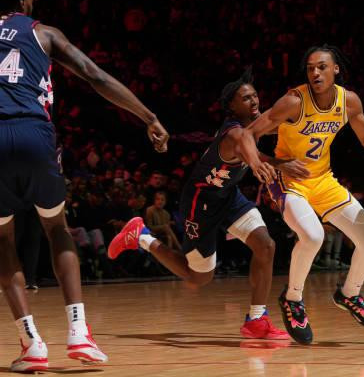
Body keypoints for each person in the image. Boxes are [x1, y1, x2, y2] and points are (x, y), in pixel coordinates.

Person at [0, 0, 169, 371]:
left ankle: (31, 342)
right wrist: (148, 116)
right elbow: (95, 75)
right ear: (24, 0)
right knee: (56, 228)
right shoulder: (43, 33)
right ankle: (78, 332)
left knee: (2, 240)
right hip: (34, 133)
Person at [238, 45, 364, 344]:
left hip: (323, 180)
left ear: (335, 69)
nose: (315, 72)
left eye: (322, 67)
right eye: (310, 67)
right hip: (289, 181)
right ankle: (292, 299)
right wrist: (269, 163)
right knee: (313, 236)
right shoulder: (293, 101)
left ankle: (349, 294)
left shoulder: (348, 101)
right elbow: (247, 135)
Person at [108, 68, 308, 340]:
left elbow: (268, 133)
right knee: (199, 277)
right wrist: (269, 164)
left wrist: (302, 114)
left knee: (266, 245)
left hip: (228, 196)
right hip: (200, 203)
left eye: (254, 96)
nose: (253, 101)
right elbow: (247, 150)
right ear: (231, 107)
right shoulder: (233, 134)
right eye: (246, 98)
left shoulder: (253, 126)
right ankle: (142, 237)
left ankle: (256, 319)